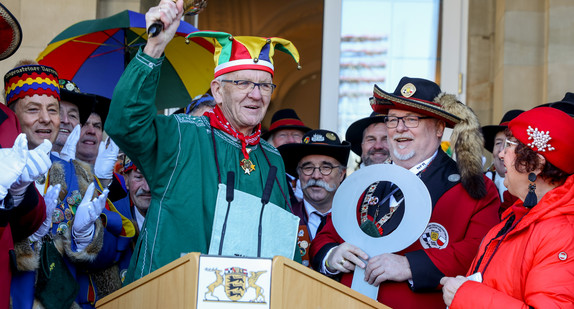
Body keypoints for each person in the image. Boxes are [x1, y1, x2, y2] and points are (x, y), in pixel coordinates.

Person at [105, 0, 302, 283]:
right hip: (170, 296)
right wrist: (155, 47)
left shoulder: (271, 157)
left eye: (264, 85)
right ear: (218, 91)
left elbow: (283, 242)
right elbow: (125, 123)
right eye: (243, 83)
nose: (256, 95)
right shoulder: (182, 135)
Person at [310, 77, 501, 308]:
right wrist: (332, 256)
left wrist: (410, 266)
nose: (400, 128)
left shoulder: (471, 186)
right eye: (393, 120)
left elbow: (480, 250)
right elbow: (326, 235)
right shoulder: (364, 181)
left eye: (412, 119)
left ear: (439, 128)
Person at [441, 107, 574, 308]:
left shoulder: (562, 233)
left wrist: (465, 296)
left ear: (536, 165)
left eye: (510, 145)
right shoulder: (518, 216)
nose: (501, 154)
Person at [278, 129, 350, 267]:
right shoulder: (285, 218)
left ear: (341, 174)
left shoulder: (354, 221)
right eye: (308, 167)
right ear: (299, 174)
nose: (316, 175)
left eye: (326, 167)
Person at [265, 108, 312, 205]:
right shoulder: (264, 173)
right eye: (283, 135)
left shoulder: (315, 173)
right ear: (271, 142)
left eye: (296, 135)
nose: (290, 140)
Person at [482, 109, 523, 216]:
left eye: (510, 144)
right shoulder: (482, 183)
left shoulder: (532, 189)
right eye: (498, 143)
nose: (502, 151)